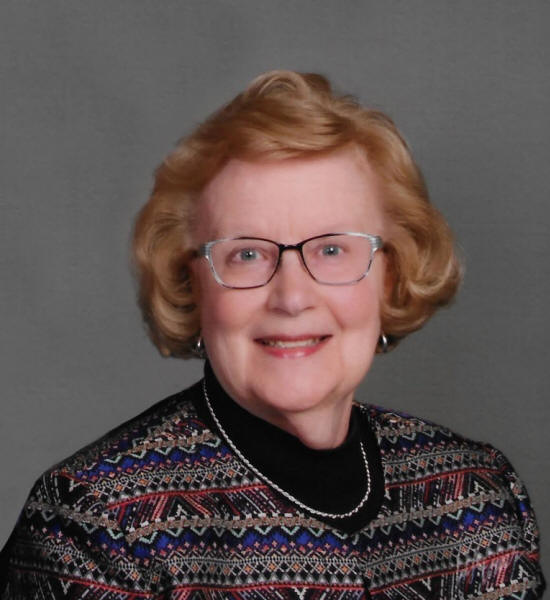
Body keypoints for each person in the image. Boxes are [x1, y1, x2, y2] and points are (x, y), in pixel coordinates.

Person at [0, 70, 544, 599]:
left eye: (331, 249)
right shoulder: (95, 524)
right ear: (190, 282)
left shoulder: (478, 495)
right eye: (246, 254)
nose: (291, 297)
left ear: (393, 272)